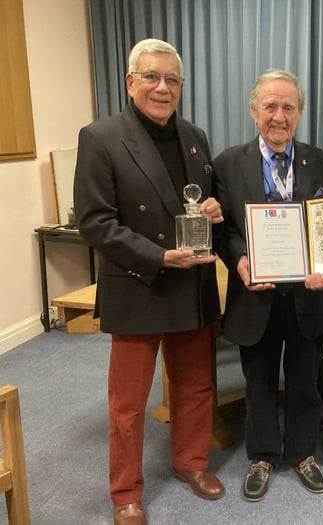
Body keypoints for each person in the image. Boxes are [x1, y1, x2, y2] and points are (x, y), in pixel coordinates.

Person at [73, 38, 225, 525]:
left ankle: (191, 463)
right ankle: (126, 492)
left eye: (172, 79)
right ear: (130, 82)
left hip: (192, 284)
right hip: (140, 282)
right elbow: (95, 223)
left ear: (181, 86)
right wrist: (158, 256)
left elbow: (203, 200)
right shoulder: (100, 136)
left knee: (196, 386)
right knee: (129, 402)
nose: (163, 87)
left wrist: (214, 209)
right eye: (152, 77)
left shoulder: (196, 134)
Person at [212, 69, 323, 502]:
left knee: (305, 379)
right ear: (254, 111)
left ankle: (303, 453)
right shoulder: (229, 163)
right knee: (259, 377)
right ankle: (263, 454)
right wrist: (240, 261)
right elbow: (225, 229)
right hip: (256, 294)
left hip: (308, 295)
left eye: (288, 106)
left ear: (299, 113)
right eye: (270, 106)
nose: (279, 115)